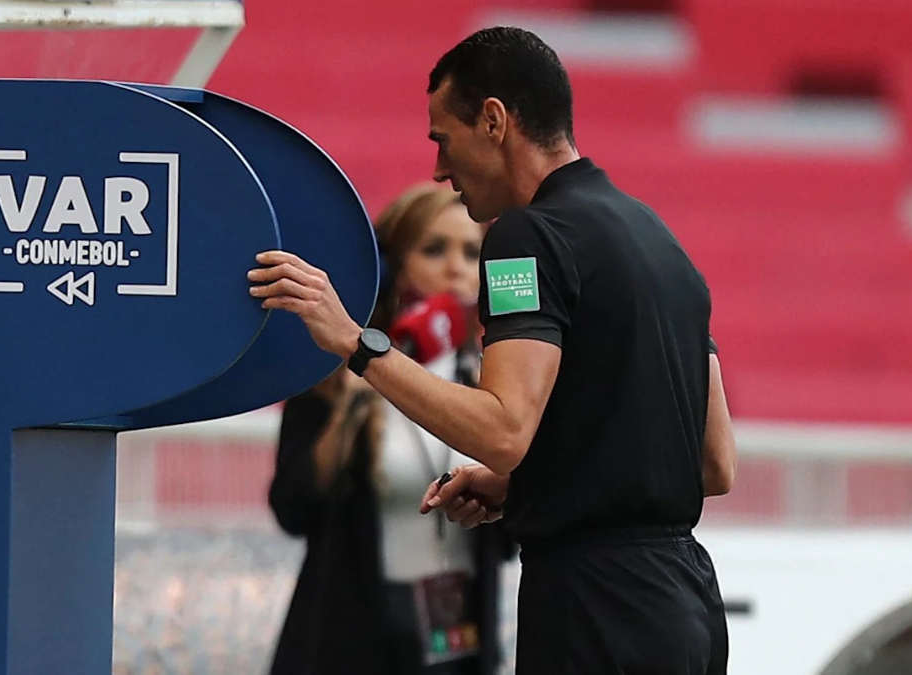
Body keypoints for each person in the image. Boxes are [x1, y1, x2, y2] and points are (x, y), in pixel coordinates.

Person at [248, 26, 738, 675]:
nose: (439, 170)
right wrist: (527, 487)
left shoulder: (524, 238)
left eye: (443, 140)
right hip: (686, 607)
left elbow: (503, 430)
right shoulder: (660, 241)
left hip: (591, 607)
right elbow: (713, 464)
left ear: (494, 121)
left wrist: (355, 343)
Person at [266, 183, 515, 675]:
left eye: (471, 253)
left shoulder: (496, 381)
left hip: (457, 641)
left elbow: (512, 536)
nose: (456, 269)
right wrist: (351, 405)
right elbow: (293, 509)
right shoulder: (334, 372)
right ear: (391, 264)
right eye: (435, 249)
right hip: (347, 641)